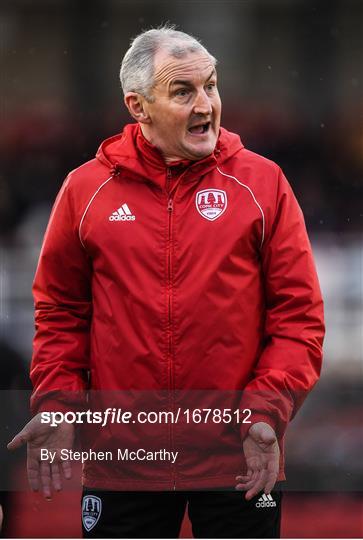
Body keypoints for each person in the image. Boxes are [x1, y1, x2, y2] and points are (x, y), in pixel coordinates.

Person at [8, 24, 324, 538]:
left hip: (239, 459)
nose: (206, 105)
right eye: (184, 92)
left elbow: (298, 317)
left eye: (212, 86)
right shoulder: (85, 190)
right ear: (138, 106)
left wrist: (266, 413)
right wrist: (59, 404)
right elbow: (61, 315)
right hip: (125, 463)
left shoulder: (263, 184)